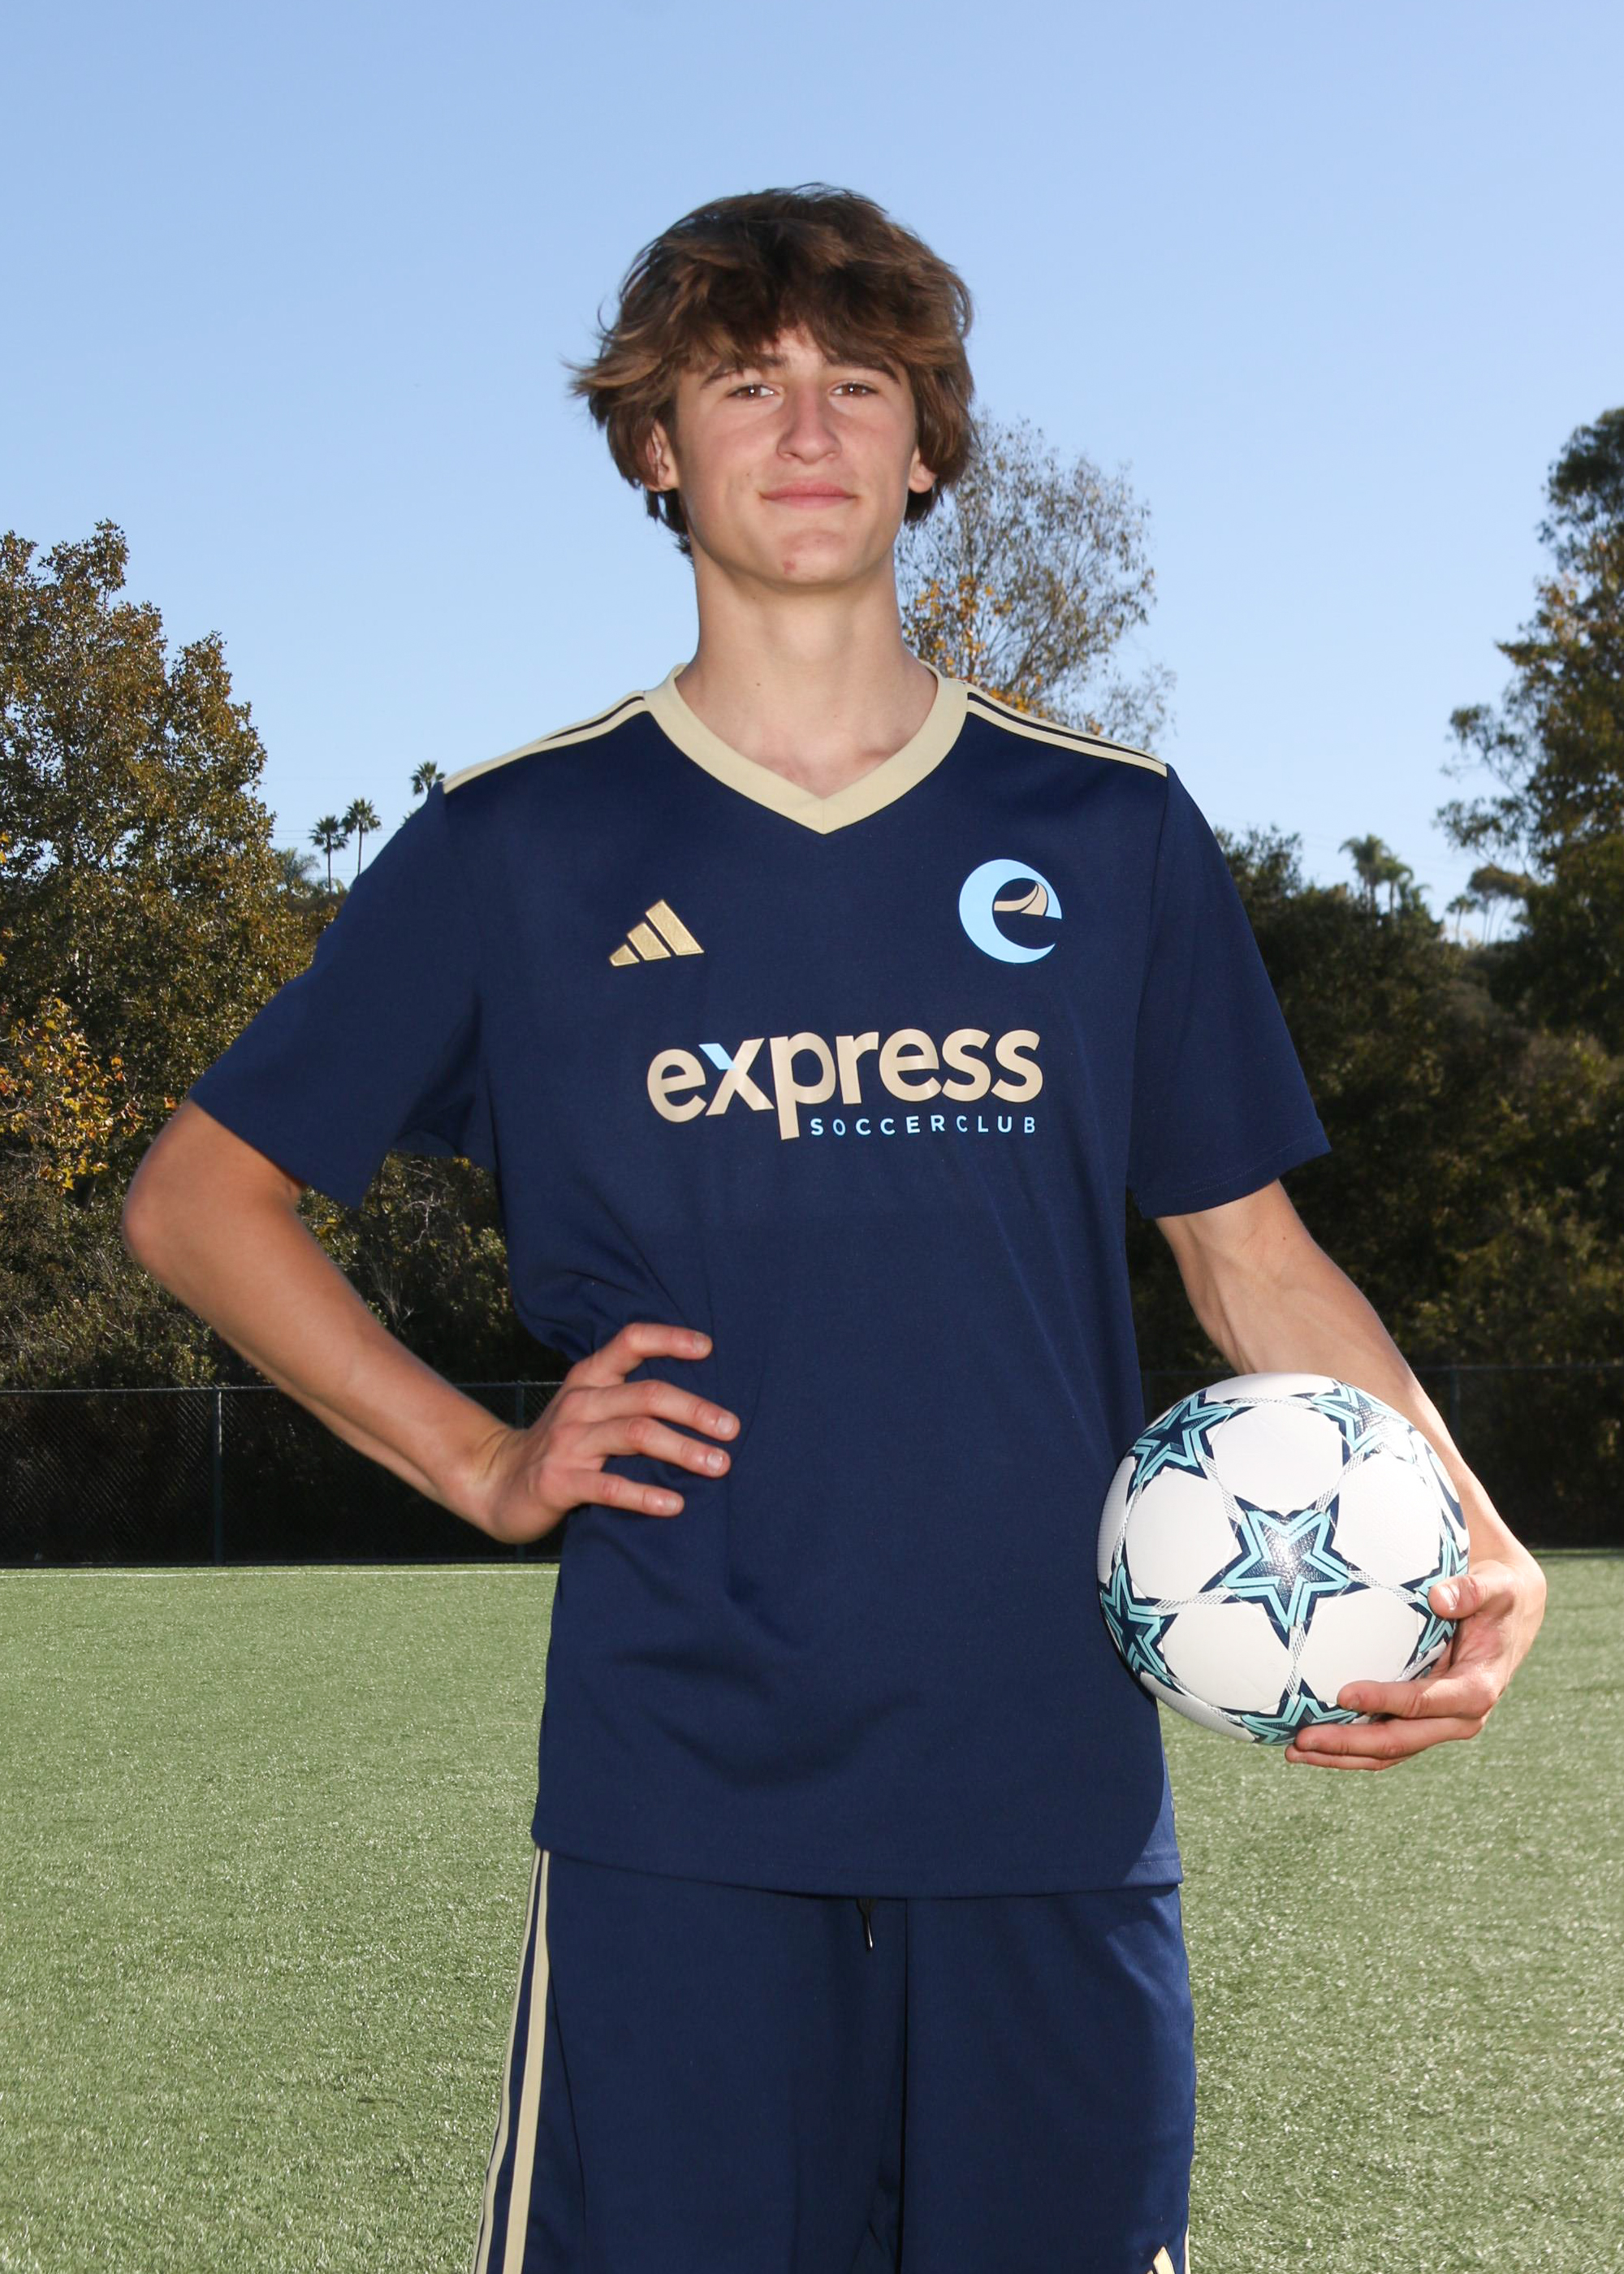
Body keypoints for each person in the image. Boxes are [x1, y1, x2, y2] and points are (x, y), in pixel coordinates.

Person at [122, 184, 1548, 2274]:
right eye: (741, 383)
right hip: (682, 1796)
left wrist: (1474, 1528)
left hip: (1049, 1792)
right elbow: (197, 1195)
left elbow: (1244, 1248)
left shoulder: (1108, 830)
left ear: (926, 444)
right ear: (653, 444)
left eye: (858, 384)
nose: (806, 428)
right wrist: (480, 1458)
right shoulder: (522, 842)